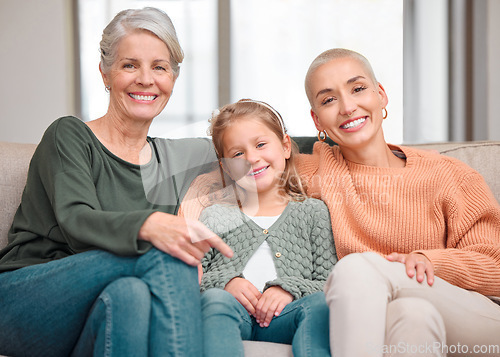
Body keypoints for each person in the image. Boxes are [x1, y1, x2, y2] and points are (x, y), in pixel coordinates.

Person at [0, 7, 232, 357]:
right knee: (170, 255)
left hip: (95, 312)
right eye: (129, 65)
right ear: (105, 73)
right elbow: (77, 221)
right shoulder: (69, 136)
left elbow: (271, 147)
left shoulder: (179, 158)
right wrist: (150, 225)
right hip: (27, 299)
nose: (145, 79)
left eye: (159, 66)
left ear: (172, 78)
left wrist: (337, 137)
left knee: (131, 297)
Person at [301, 48, 500, 356]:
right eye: (329, 99)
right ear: (317, 119)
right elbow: (225, 172)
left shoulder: (450, 174)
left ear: (381, 95)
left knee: (356, 269)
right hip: (403, 314)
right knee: (411, 315)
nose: (347, 107)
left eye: (357, 89)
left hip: (476, 318)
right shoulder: (318, 169)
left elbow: (495, 265)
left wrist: (432, 262)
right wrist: (194, 215)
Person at [197, 99, 336, 357]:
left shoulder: (313, 212)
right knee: (214, 302)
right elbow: (193, 280)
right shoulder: (213, 216)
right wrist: (226, 283)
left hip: (287, 317)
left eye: (261, 144)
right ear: (226, 167)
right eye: (237, 154)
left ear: (285, 146)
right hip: (232, 314)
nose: (251, 158)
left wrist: (289, 288)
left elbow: (329, 283)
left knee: (319, 306)